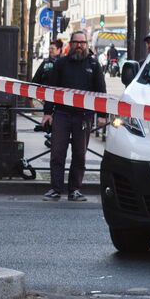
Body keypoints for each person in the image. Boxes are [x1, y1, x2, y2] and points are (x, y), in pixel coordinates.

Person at [40, 30, 106, 201]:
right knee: (57, 153)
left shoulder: (94, 65)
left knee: (79, 155)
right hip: (61, 115)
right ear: (70, 44)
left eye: (82, 43)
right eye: (76, 42)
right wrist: (47, 113)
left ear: (86, 44)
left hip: (83, 117)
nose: (79, 46)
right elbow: (51, 90)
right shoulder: (61, 63)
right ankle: (55, 189)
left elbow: (101, 90)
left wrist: (102, 115)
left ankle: (74, 190)